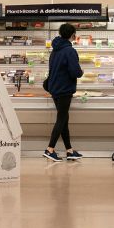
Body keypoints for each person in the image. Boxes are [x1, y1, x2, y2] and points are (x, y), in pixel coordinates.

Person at [43, 23, 84, 162]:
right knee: (61, 119)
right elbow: (75, 72)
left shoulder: (55, 49)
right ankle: (49, 149)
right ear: (73, 35)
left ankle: (69, 150)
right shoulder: (70, 51)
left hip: (54, 88)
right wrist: (81, 72)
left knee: (64, 119)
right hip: (65, 89)